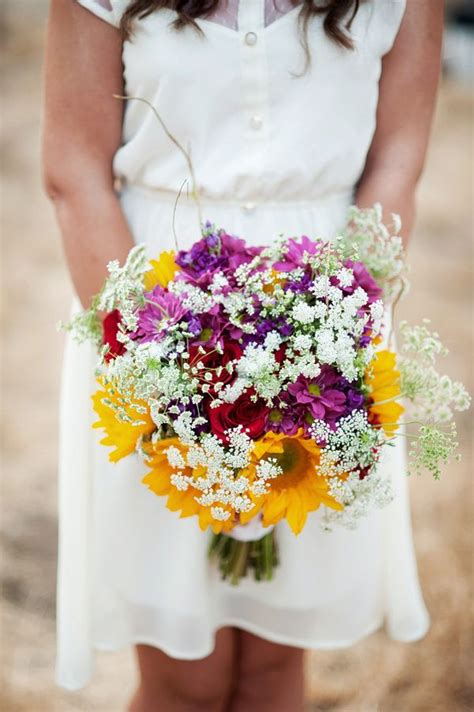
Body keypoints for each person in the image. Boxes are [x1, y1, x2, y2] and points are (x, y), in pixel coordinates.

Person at [42, 1, 443, 710]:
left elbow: (398, 162)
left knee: (272, 670)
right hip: (156, 315)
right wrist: (165, 377)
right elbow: (73, 167)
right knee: (181, 682)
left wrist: (327, 351)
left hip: (328, 327)